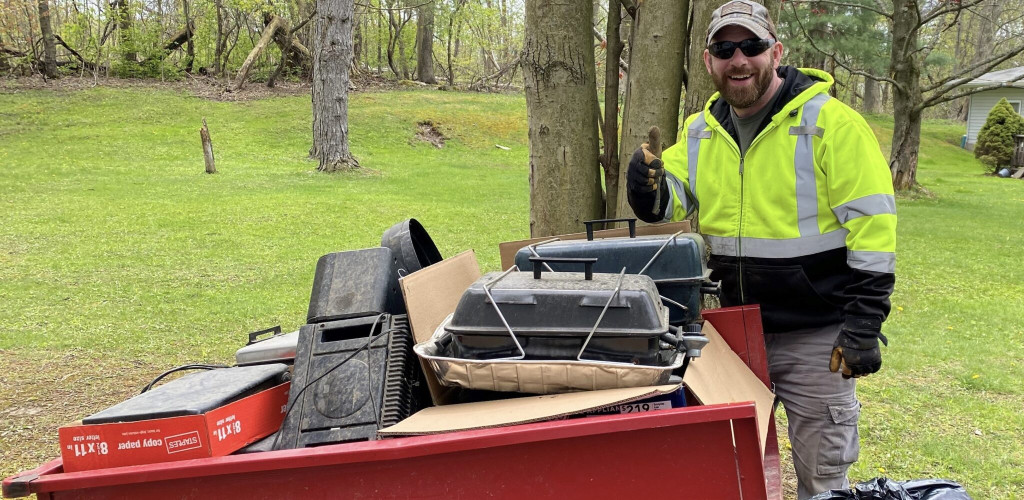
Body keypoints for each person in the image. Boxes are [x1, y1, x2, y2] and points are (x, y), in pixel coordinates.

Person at [626, 1, 897, 498]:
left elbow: (873, 229)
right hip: (733, 335)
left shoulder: (832, 124)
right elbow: (670, 198)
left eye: (751, 46)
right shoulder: (700, 130)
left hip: (815, 337)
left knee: (823, 478)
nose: (739, 60)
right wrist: (646, 188)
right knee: (732, 473)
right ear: (708, 61)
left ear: (776, 51)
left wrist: (864, 322)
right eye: (725, 48)